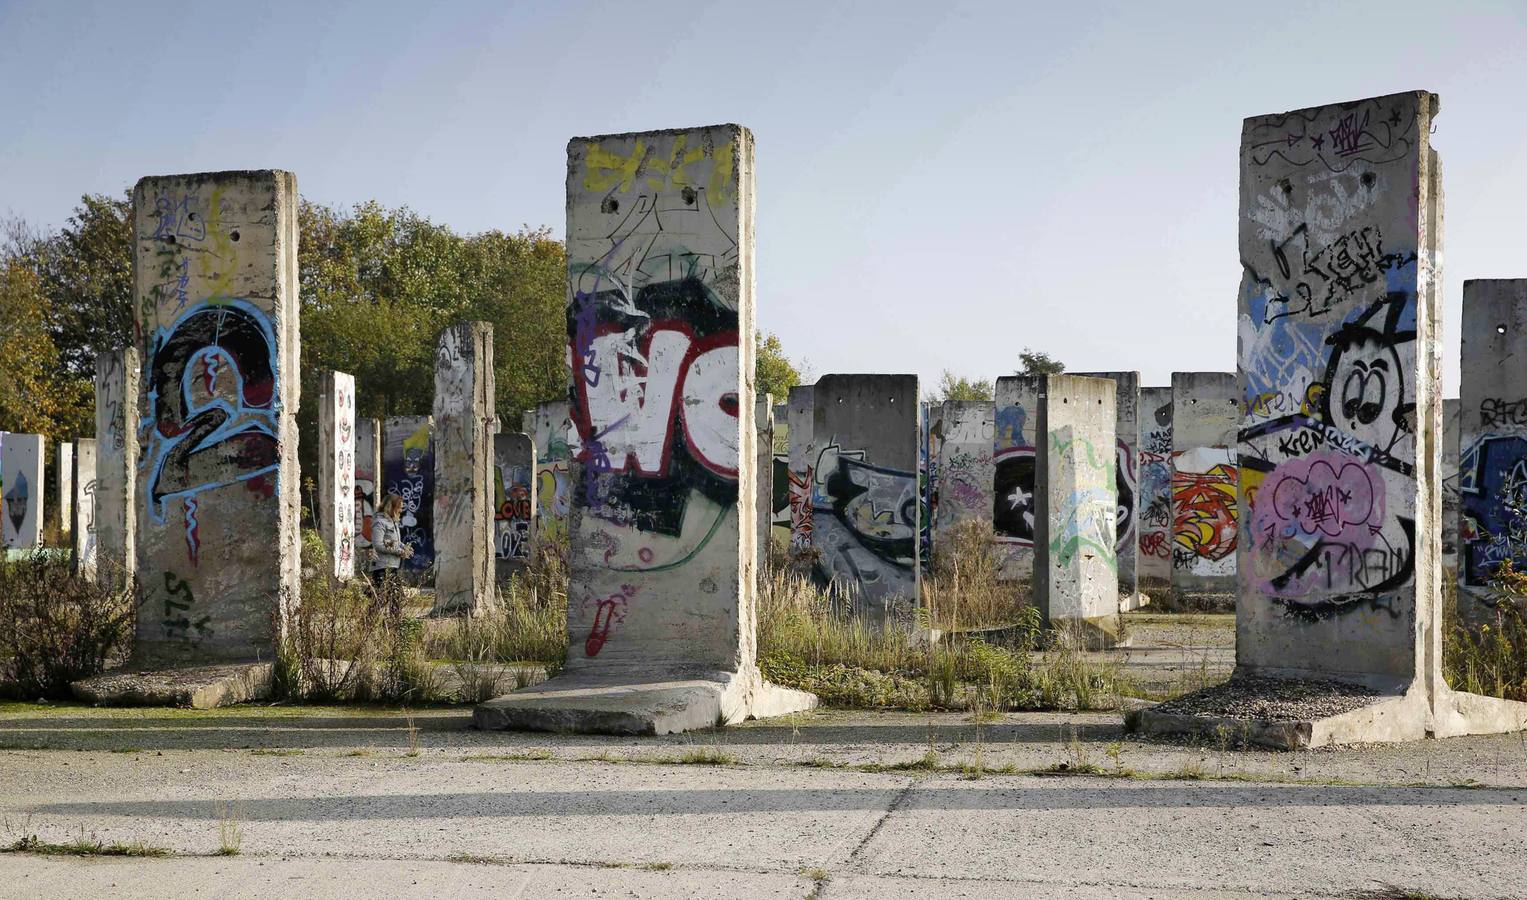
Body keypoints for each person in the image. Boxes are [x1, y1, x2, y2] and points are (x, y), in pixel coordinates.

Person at [368, 492, 413, 591]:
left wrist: (404, 547)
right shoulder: (379, 522)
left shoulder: (393, 522)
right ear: (390, 507)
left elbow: (396, 541)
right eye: (399, 508)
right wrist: (398, 551)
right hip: (382, 568)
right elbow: (378, 545)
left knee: (390, 597)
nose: (401, 510)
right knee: (384, 597)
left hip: (392, 567)